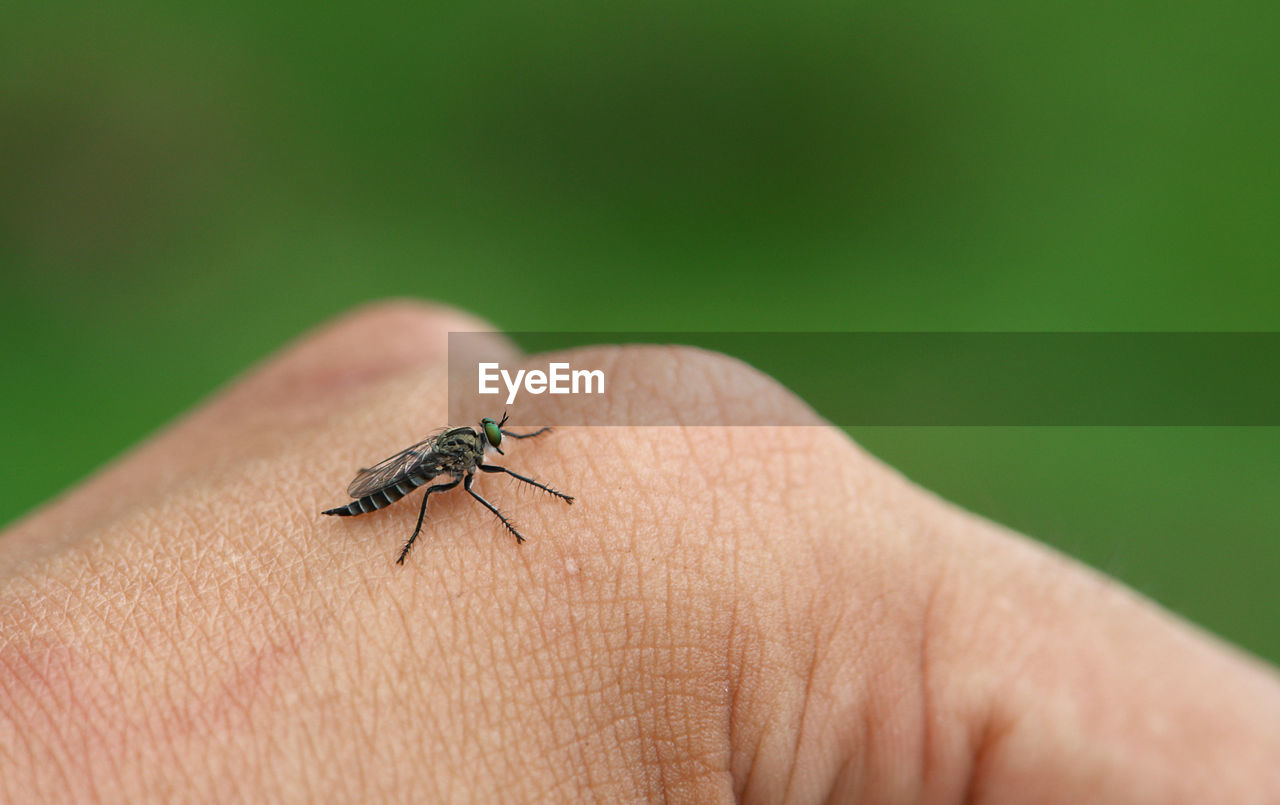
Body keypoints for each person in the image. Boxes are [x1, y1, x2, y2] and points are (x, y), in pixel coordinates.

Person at [1, 302, 1276, 802]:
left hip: (401, 469)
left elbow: (475, 452)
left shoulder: (474, 435)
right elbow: (463, 479)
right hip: (384, 491)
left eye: (494, 438)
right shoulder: (458, 459)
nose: (490, 445)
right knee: (433, 503)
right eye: (490, 436)